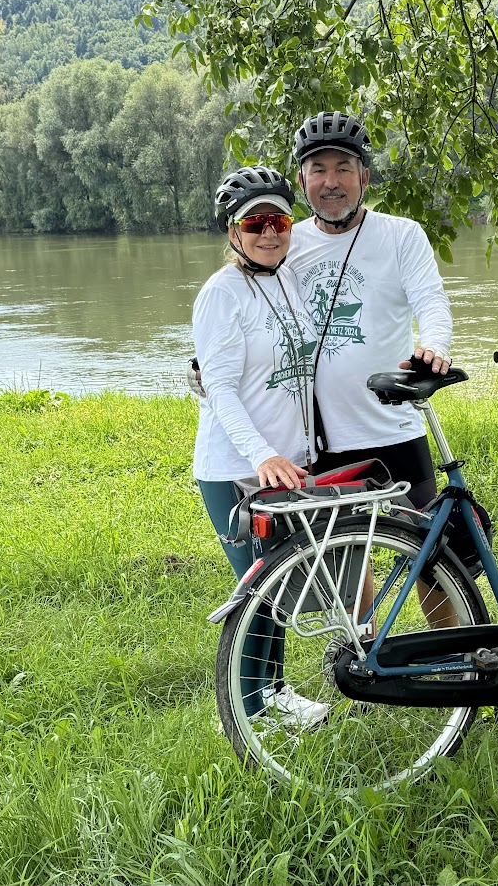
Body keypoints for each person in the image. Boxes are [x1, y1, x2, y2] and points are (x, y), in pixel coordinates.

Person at [190, 164, 326, 725]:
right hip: (236, 467)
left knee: (280, 586)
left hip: (287, 466)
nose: (270, 233)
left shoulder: (288, 277)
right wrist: (260, 454)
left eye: (280, 220)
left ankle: (273, 693)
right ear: (233, 233)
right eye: (255, 223)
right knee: (256, 592)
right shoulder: (221, 294)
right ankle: (251, 708)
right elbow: (219, 386)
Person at [284, 111, 453, 507]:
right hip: (318, 437)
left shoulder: (401, 235)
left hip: (393, 427)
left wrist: (435, 348)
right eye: (318, 169)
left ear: (364, 177)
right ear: (301, 181)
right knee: (347, 558)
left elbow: (431, 301)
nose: (331, 182)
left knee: (430, 555)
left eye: (343, 168)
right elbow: (251, 308)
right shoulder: (286, 245)